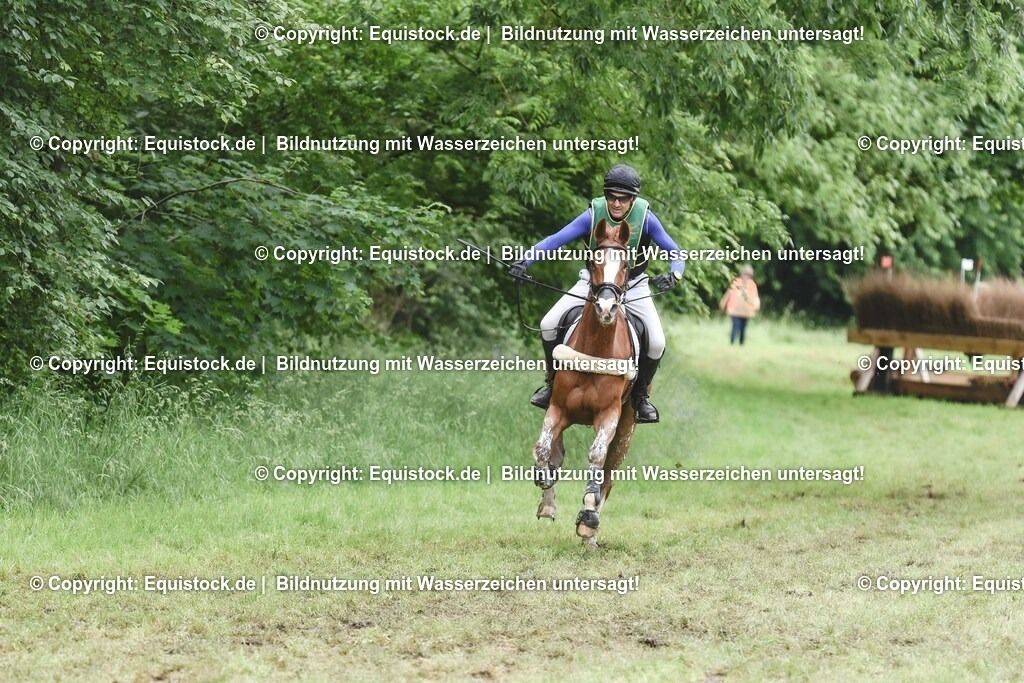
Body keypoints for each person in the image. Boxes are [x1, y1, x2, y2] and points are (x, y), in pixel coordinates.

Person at [507, 164, 685, 424]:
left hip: (633, 285)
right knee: (547, 324)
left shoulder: (646, 218)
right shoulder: (593, 214)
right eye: (612, 196)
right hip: (595, 283)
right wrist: (525, 261)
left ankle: (640, 398)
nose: (616, 203)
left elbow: (676, 253)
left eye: (623, 199)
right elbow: (557, 239)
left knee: (657, 342)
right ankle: (551, 383)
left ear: (633, 199)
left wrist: (674, 274)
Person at [720, 265, 760, 345]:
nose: (746, 276)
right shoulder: (736, 282)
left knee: (743, 329)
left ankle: (741, 344)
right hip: (734, 310)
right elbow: (728, 294)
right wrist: (723, 303)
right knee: (735, 327)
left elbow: (755, 297)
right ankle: (732, 343)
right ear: (742, 274)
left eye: (748, 274)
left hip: (746, 312)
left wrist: (757, 306)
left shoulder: (752, 285)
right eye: (745, 274)